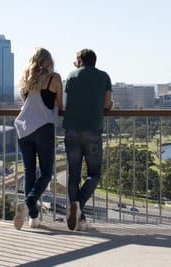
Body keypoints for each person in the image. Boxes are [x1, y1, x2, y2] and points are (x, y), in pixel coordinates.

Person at [13, 47, 63, 229]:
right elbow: (59, 104)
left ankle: (33, 219)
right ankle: (29, 202)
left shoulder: (25, 79)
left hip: (23, 129)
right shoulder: (54, 78)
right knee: (47, 172)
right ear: (49, 61)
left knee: (29, 173)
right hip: (43, 128)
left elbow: (25, 104)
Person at [63, 48, 112, 231]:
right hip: (92, 130)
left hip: (72, 130)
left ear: (80, 60)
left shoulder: (72, 76)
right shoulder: (104, 76)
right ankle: (78, 206)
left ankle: (76, 211)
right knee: (95, 174)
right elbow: (107, 104)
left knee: (74, 175)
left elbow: (68, 102)